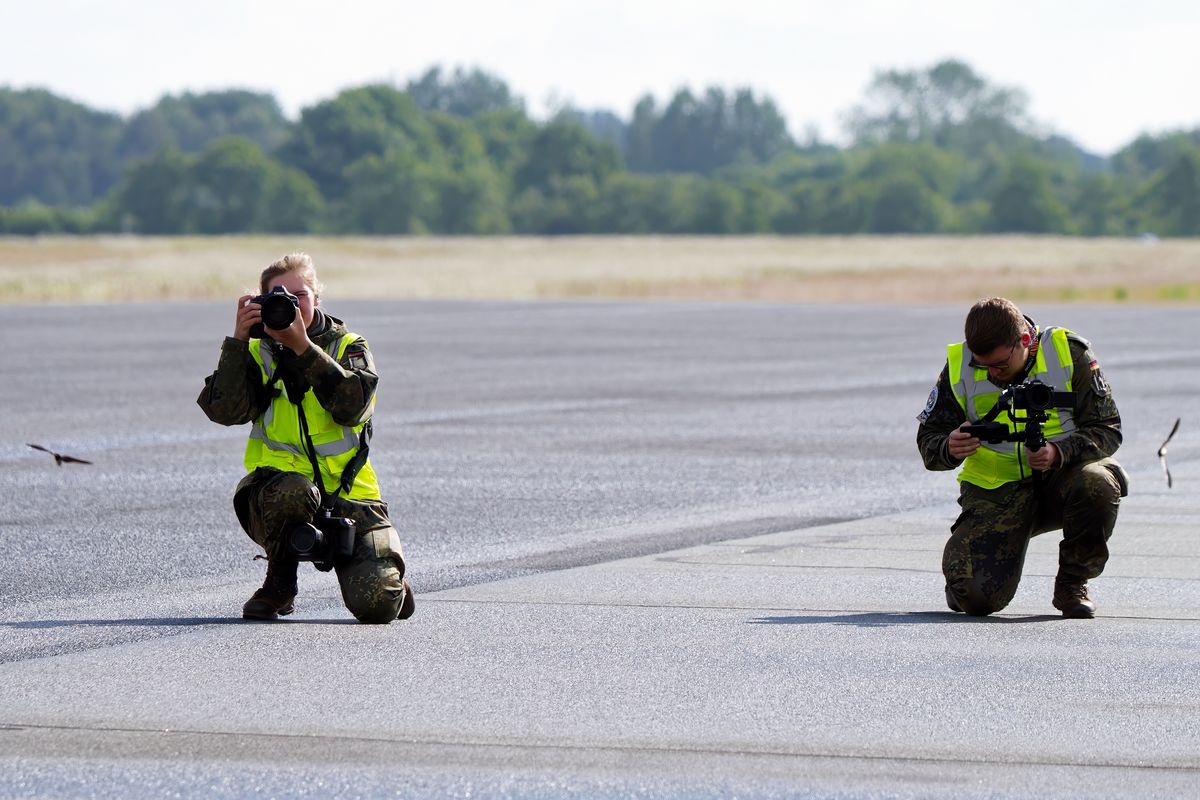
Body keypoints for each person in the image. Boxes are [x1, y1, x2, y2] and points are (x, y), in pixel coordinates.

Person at [198, 252, 413, 624]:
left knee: (376, 605)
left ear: (316, 298)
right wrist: (236, 341)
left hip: (351, 498)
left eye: (300, 296)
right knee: (294, 489)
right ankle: (279, 584)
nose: (292, 305)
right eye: (280, 297)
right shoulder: (255, 350)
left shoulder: (349, 347)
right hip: (280, 495)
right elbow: (225, 412)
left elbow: (352, 407)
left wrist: (303, 348)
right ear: (260, 304)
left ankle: (393, 584)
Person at [916, 297, 1127, 619]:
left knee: (1097, 481)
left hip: (1062, 482)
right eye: (983, 365)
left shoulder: (1068, 353)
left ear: (1025, 341)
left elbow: (1107, 429)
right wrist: (949, 446)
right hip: (997, 492)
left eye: (1000, 365)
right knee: (977, 601)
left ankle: (1072, 584)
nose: (992, 373)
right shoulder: (960, 364)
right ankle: (983, 560)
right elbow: (930, 441)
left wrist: (1059, 452)